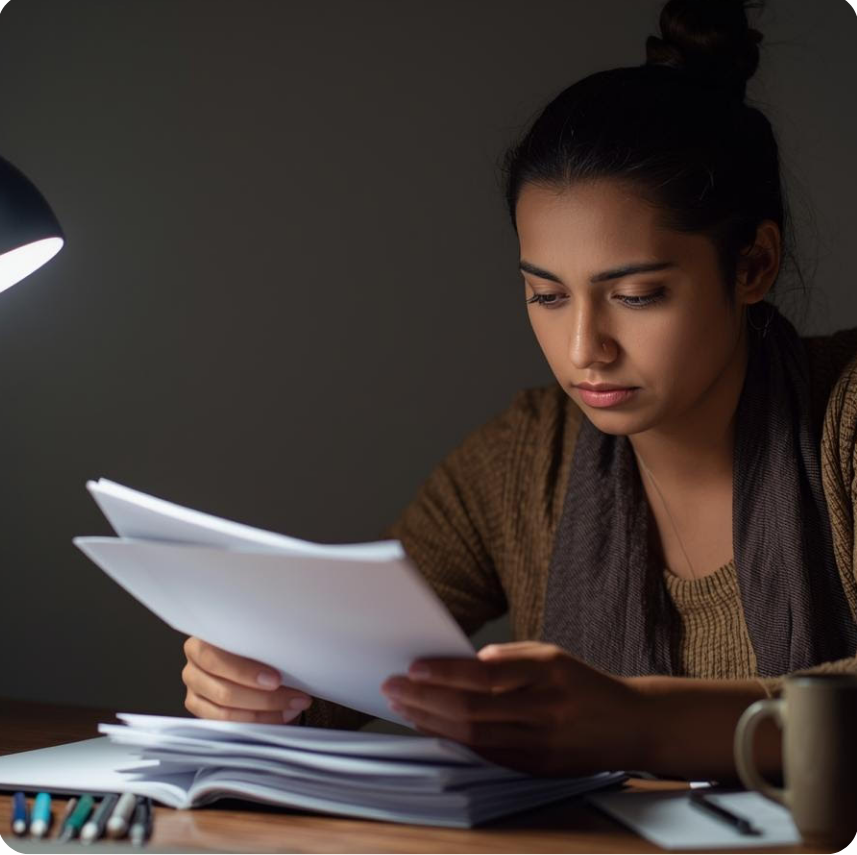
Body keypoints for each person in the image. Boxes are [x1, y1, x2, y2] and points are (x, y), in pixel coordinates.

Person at [181, 0, 857, 781]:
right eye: (546, 294)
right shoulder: (522, 461)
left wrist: (637, 722)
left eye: (635, 294)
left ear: (751, 266)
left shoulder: (841, 421)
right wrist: (263, 680)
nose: (582, 350)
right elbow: (352, 658)